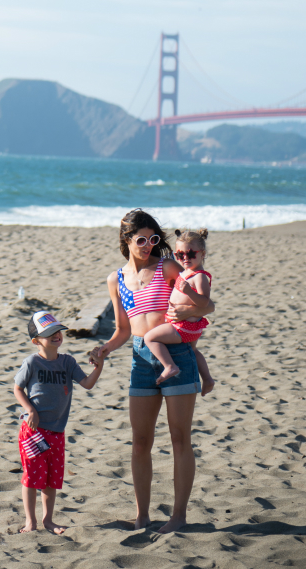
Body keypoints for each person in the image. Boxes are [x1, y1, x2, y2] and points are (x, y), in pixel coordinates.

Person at [90, 209, 215, 534]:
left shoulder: (168, 266)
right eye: (141, 239)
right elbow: (121, 329)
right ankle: (142, 515)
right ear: (127, 240)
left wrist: (204, 307)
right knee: (141, 440)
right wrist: (104, 349)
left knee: (179, 438)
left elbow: (204, 302)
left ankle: (178, 517)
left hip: (177, 351)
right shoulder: (115, 279)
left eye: (154, 239)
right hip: (141, 358)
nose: (148, 245)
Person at [13, 310, 104, 535]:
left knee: (51, 480)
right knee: (33, 478)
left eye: (58, 331)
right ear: (36, 341)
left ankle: (48, 520)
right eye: (50, 333)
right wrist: (30, 410)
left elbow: (87, 383)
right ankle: (30, 522)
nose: (57, 336)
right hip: (33, 431)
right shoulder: (32, 362)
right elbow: (17, 388)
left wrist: (98, 366)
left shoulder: (67, 362)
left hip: (57, 431)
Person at [144, 229, 214, 394]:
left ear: (202, 253)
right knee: (194, 351)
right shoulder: (185, 273)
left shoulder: (200, 276)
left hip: (183, 326)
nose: (185, 258)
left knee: (150, 338)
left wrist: (190, 292)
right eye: (180, 254)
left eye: (190, 254)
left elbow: (205, 302)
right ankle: (208, 379)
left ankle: (169, 366)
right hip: (188, 326)